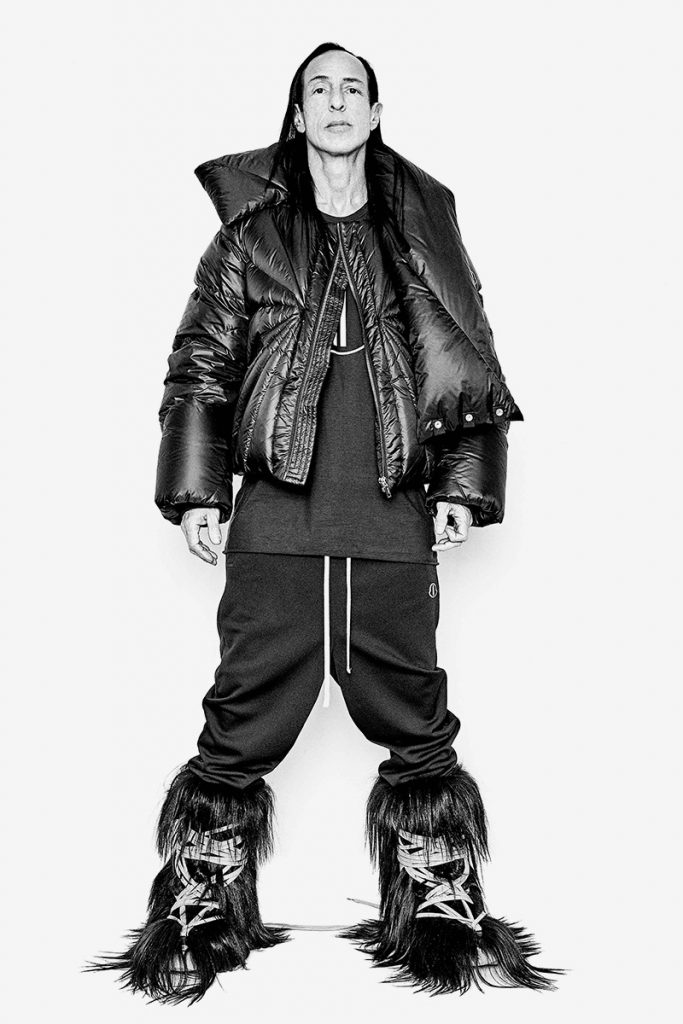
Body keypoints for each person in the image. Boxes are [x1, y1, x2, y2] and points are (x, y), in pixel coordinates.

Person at [84, 42, 562, 1002]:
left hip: (392, 515)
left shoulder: (420, 238)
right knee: (243, 714)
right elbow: (201, 364)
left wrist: (463, 483)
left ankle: (438, 907)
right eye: (319, 89)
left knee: (414, 716)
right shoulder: (248, 239)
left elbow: (466, 361)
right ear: (298, 116)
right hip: (275, 517)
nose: (337, 102)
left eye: (353, 88)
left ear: (375, 114)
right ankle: (201, 903)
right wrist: (198, 490)